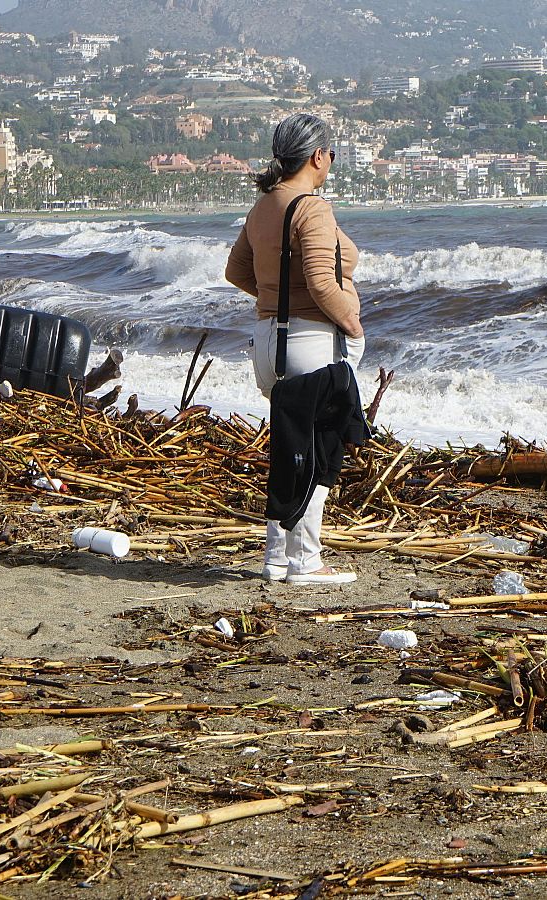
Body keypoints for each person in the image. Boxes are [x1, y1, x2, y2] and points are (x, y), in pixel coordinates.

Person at [225, 113, 363, 585]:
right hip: (310, 342)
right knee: (319, 452)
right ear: (317, 156)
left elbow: (237, 272)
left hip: (268, 342)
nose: (331, 164)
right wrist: (353, 322)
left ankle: (276, 558)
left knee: (291, 449)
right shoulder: (312, 208)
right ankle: (306, 561)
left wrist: (275, 298)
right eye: (331, 156)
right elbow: (323, 282)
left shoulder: (262, 207)